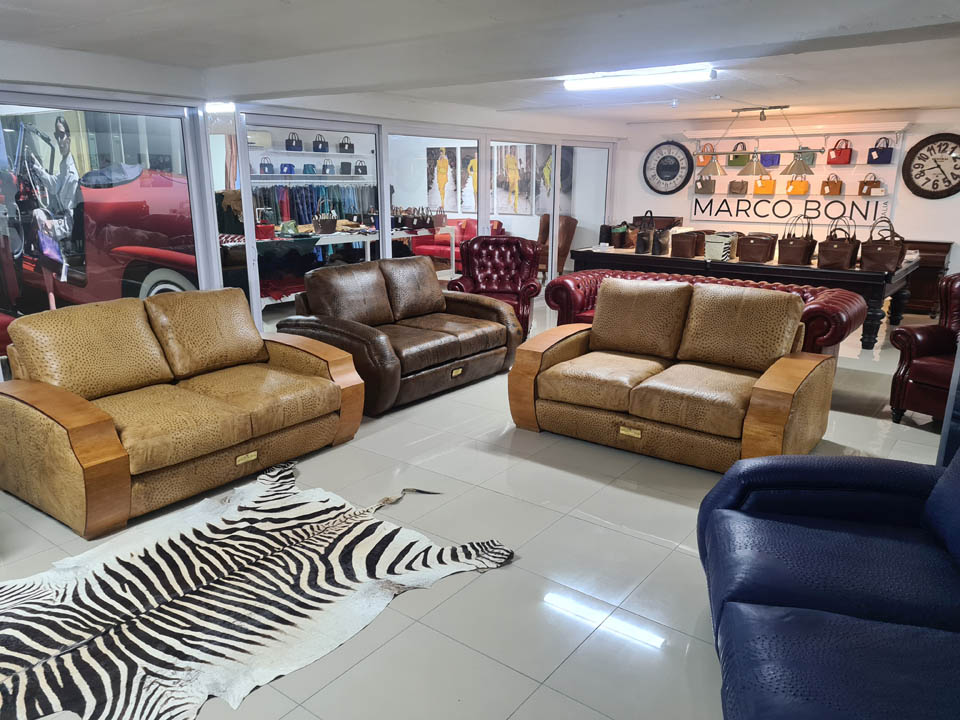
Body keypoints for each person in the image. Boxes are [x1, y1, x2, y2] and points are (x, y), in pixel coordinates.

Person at [30, 116, 79, 251]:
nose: (59, 140)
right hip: (60, 216)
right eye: (56, 135)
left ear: (68, 138)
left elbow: (71, 223)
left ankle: (52, 262)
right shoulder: (64, 166)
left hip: (68, 227)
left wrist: (51, 225)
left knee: (42, 224)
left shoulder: (71, 176)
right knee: (37, 214)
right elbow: (54, 184)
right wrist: (36, 166)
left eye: (62, 135)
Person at [505, 146, 520, 213]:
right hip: (510, 174)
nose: (513, 150)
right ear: (510, 149)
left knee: (516, 190)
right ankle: (509, 197)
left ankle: (515, 206)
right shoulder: (507, 157)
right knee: (511, 188)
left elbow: (516, 167)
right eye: (512, 149)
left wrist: (518, 175)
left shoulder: (515, 158)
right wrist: (507, 175)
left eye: (514, 149)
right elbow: (506, 167)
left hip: (515, 174)